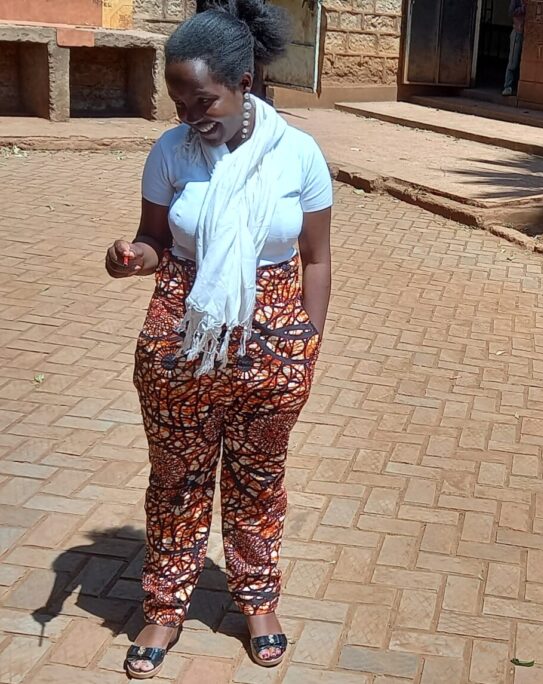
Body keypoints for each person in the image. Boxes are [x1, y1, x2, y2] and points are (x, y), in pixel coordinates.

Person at [104, 0, 334, 678]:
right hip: (180, 339)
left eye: (201, 99)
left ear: (244, 82)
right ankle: (165, 607)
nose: (188, 116)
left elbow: (316, 258)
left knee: (260, 481)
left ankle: (257, 601)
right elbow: (152, 238)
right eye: (178, 102)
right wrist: (130, 256)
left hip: (274, 341)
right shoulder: (172, 152)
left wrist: (306, 343)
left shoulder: (298, 154)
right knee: (176, 480)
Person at [503, 0, 527, 96]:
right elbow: (511, 12)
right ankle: (507, 86)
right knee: (513, 61)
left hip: (526, 34)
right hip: (518, 32)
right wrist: (522, 9)